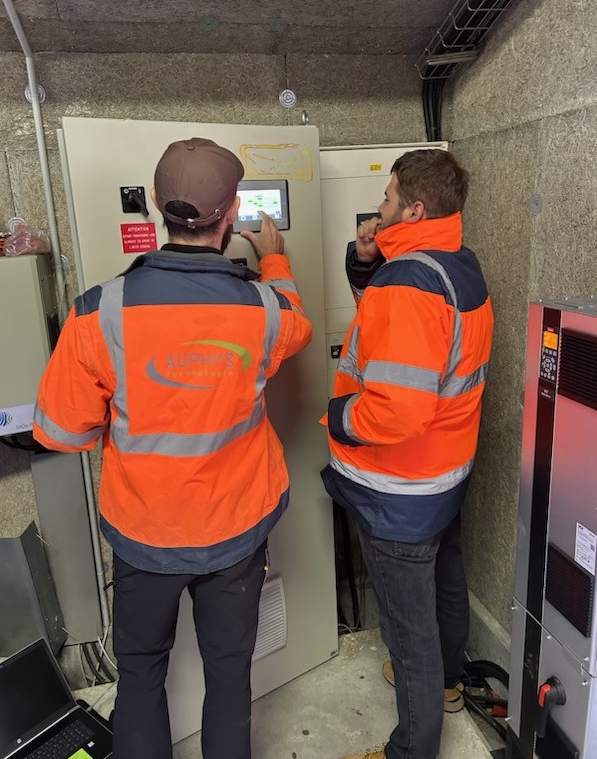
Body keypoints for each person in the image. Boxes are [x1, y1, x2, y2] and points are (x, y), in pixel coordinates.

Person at [33, 137, 312, 759]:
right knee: (229, 677)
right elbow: (298, 323)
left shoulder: (98, 313)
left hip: (143, 536)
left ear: (157, 202)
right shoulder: (265, 311)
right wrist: (275, 261)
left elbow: (61, 432)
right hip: (235, 533)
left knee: (139, 676)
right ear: (232, 212)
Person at [321, 149, 494, 759]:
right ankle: (447, 682)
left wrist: (337, 415)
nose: (379, 207)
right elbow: (390, 330)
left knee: (407, 629)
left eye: (389, 197)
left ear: (414, 209)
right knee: (445, 581)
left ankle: (411, 750)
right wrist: (367, 260)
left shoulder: (409, 285)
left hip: (398, 488)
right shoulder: (456, 264)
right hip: (442, 475)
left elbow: (397, 411)